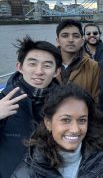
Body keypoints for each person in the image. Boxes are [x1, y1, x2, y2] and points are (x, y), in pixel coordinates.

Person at [11, 84, 103, 178]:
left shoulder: (101, 162)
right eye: (66, 120)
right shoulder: (27, 172)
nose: (75, 129)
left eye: (82, 120)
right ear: (48, 123)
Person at [0, 36, 62, 178]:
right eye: (32, 64)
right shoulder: (2, 100)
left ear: (57, 71)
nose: (39, 71)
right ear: (19, 67)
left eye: (47, 65)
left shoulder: (64, 104)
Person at [55, 19, 100, 102]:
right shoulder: (48, 65)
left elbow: (95, 99)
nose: (71, 40)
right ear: (57, 41)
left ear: (82, 41)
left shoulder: (93, 66)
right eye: (65, 36)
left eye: (76, 36)